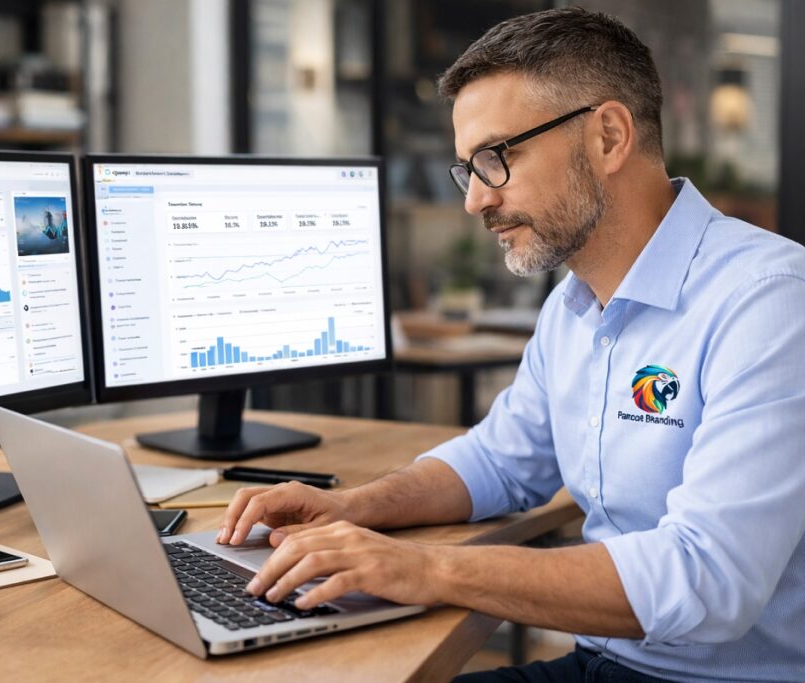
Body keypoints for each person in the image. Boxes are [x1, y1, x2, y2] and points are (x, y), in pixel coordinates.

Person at [216, 7, 805, 682]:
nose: (475, 202)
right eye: (468, 169)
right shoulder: (572, 306)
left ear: (609, 137)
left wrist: (428, 567)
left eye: (498, 158)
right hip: (603, 660)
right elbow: (499, 460)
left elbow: (709, 581)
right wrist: (353, 508)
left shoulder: (769, 300)